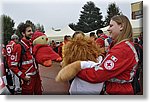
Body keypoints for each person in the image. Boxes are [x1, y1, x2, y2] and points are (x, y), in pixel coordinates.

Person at [59, 15, 139, 95]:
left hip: (117, 91)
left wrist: (75, 70)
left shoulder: (122, 49)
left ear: (121, 26)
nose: (108, 29)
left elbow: (98, 75)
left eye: (111, 25)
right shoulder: (121, 46)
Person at [6, 23, 42, 95]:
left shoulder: (31, 44)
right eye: (29, 31)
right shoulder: (18, 46)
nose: (31, 32)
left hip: (36, 77)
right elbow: (12, 65)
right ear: (23, 33)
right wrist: (23, 76)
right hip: (27, 79)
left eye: (31, 30)